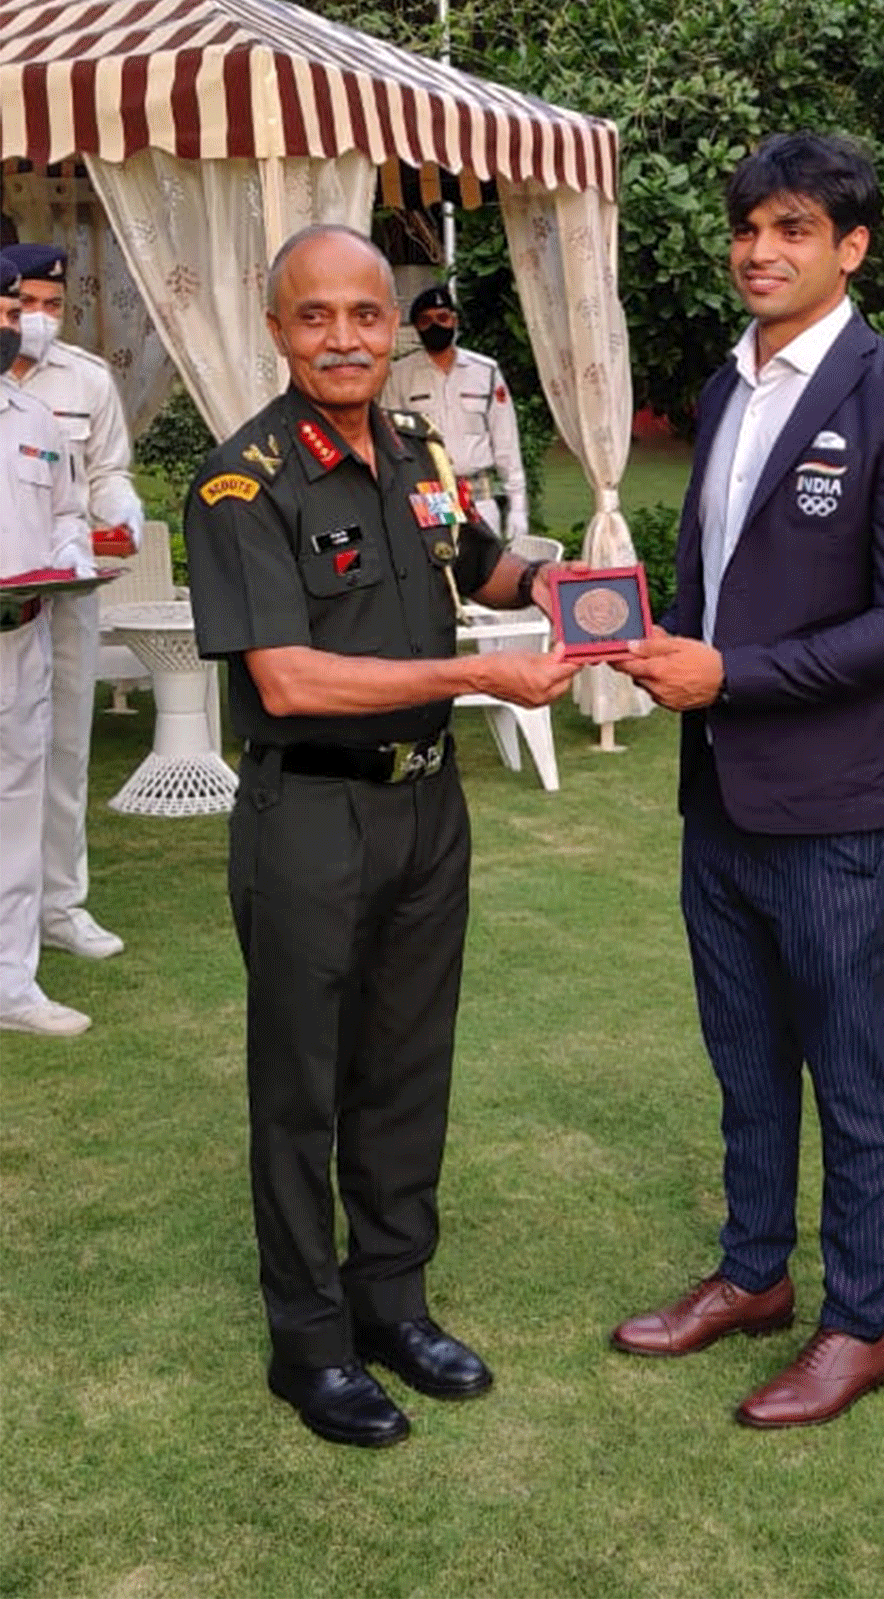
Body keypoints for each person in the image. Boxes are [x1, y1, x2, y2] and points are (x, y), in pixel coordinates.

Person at [184, 224, 574, 1450]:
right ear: (276, 325)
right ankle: (307, 1344)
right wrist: (478, 682)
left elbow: (477, 559)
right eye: (317, 317)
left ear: (391, 323)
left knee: (408, 1068)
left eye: (366, 314)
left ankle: (390, 1304)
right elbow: (289, 681)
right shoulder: (241, 483)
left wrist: (570, 593)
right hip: (310, 811)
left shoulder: (415, 450)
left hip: (424, 808)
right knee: (304, 1089)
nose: (345, 337)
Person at [609, 133, 884, 1428]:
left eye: (795, 229)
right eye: (749, 229)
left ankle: (858, 1323)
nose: (762, 252)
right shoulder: (725, 389)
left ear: (851, 247)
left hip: (839, 810)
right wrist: (657, 644)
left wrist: (732, 676)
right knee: (746, 1056)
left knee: (849, 1069)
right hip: (720, 796)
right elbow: (726, 580)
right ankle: (754, 1275)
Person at [3, 242, 144, 963]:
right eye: (27, 304)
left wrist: (122, 506)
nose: (39, 319)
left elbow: (106, 472)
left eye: (53, 306)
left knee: (65, 747)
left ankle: (61, 904)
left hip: (69, 582)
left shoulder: (86, 379)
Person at [0, 255, 95, 1038]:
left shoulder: (33, 420)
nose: (16, 327)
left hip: (22, 638)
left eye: (16, 315)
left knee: (17, 817)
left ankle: (13, 983)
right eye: (6, 311)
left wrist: (70, 555)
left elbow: (66, 509)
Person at [384, 284, 528, 540]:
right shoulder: (400, 376)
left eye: (442, 318)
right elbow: (392, 442)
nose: (435, 326)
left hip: (478, 494)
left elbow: (506, 441)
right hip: (431, 494)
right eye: (426, 321)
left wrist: (518, 506)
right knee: (443, 570)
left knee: (487, 574)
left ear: (455, 320)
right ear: (416, 327)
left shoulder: (485, 371)